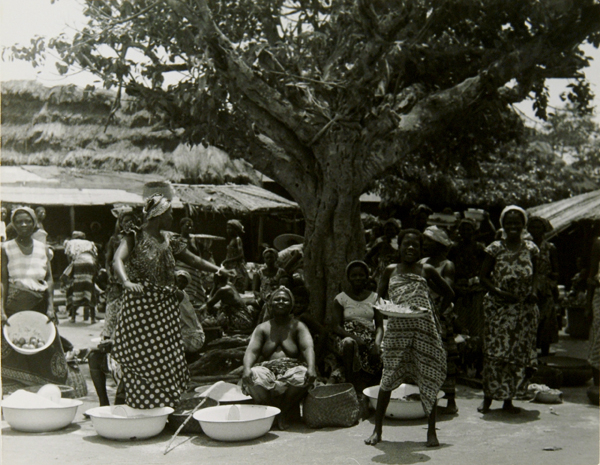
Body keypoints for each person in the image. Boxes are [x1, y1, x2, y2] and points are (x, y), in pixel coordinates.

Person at [111, 194, 222, 409]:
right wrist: (126, 282)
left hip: (165, 306)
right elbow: (118, 259)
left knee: (166, 356)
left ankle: (163, 406)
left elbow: (193, 259)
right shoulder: (134, 235)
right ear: (159, 215)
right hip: (140, 305)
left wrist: (218, 269)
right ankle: (137, 404)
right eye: (170, 213)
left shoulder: (171, 240)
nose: (172, 217)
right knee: (140, 356)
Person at [365, 229, 453, 448]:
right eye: (406, 244)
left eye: (415, 245)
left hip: (425, 331)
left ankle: (431, 432)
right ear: (399, 246)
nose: (411, 248)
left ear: (421, 249)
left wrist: (435, 312)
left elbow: (449, 293)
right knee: (388, 378)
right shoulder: (390, 271)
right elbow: (379, 302)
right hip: (397, 330)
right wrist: (379, 332)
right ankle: (377, 430)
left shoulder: (427, 270)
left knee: (428, 376)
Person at [478, 205, 539, 414]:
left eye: (517, 222)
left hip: (523, 311)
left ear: (523, 225)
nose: (513, 226)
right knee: (495, 354)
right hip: (498, 308)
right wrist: (501, 294)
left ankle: (508, 400)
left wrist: (533, 290)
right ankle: (487, 398)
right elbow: (483, 277)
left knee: (515, 355)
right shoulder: (495, 248)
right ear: (503, 224)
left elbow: (537, 273)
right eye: (509, 222)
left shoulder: (531, 248)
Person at [1, 207, 69, 393]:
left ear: (34, 224)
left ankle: (46, 392)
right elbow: (3, 281)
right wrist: (1, 309)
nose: (24, 224)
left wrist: (50, 308)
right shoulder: (5, 248)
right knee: (14, 349)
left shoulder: (43, 249)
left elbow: (48, 279)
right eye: (20, 221)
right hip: (14, 305)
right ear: (13, 224)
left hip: (39, 305)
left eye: (28, 221)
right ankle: (15, 394)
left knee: (44, 348)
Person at [242, 286, 317, 430]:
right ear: (270, 304)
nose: (281, 302)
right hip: (267, 369)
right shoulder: (262, 328)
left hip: (292, 368)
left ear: (291, 305)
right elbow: (252, 351)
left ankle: (283, 411)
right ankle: (272, 411)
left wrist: (311, 368)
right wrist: (246, 369)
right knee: (252, 377)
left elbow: (307, 348)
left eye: (285, 299)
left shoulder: (299, 326)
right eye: (277, 299)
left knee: (303, 376)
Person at [419, 225, 458, 414]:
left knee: (445, 358)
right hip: (421, 316)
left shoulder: (447, 265)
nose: (424, 244)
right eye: (424, 240)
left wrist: (439, 314)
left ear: (439, 244)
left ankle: (450, 399)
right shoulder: (421, 262)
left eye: (429, 241)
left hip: (440, 316)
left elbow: (448, 292)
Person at [330, 260, 383, 392]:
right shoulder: (340, 298)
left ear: (367, 277)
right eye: (354, 275)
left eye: (361, 275)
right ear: (348, 278)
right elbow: (336, 326)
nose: (358, 278)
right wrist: (355, 338)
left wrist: (376, 344)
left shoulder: (375, 298)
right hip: (347, 336)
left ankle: (373, 389)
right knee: (349, 344)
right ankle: (350, 385)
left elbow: (380, 326)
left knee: (383, 354)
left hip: (369, 336)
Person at [447, 218, 487, 376]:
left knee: (477, 330)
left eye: (469, 229)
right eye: (463, 230)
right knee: (459, 327)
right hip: (459, 291)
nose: (466, 233)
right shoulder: (454, 248)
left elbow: (485, 269)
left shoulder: (480, 248)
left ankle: (476, 366)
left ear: (474, 232)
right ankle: (461, 365)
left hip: (476, 291)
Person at [527, 216, 559, 357]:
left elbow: (556, 271)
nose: (535, 230)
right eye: (532, 227)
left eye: (538, 227)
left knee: (546, 320)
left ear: (544, 229)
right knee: (530, 319)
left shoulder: (550, 248)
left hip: (545, 289)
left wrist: (549, 280)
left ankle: (545, 353)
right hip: (528, 286)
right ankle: (530, 352)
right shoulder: (525, 246)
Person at [202, 268, 258, 333]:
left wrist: (214, 286)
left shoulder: (223, 290)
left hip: (242, 321)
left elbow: (209, 304)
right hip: (246, 318)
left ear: (216, 279)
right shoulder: (230, 285)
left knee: (208, 311)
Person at [62, 231, 98, 324]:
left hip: (78, 265)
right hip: (90, 264)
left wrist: (70, 273)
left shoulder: (70, 243)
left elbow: (70, 259)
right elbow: (94, 256)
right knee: (90, 289)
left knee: (75, 288)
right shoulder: (90, 243)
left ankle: (73, 317)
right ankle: (93, 319)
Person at [176, 270, 206, 364]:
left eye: (184, 282)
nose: (180, 284)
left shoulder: (178, 293)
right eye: (179, 280)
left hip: (191, 339)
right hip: (195, 336)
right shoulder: (183, 293)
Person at [176, 218, 207, 306]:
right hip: (180, 267)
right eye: (187, 226)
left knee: (193, 288)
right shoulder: (177, 239)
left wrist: (193, 245)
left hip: (192, 268)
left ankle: (192, 305)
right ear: (181, 227)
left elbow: (197, 255)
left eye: (191, 226)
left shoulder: (193, 239)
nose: (189, 228)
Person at [253, 247, 286, 319]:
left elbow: (283, 287)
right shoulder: (259, 273)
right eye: (267, 257)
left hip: (276, 297)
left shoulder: (281, 272)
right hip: (263, 298)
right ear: (264, 259)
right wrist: (261, 297)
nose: (269, 259)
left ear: (276, 258)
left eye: (271, 257)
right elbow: (255, 290)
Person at [586, 236, 600, 390]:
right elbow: (592, 275)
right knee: (599, 339)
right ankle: (598, 385)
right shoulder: (599, 243)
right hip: (599, 297)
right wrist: (588, 305)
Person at [222, 219, 250, 293]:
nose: (228, 230)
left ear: (236, 229)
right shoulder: (232, 240)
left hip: (236, 266)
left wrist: (227, 260)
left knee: (236, 283)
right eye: (227, 228)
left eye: (231, 228)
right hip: (231, 265)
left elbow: (241, 255)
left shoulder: (237, 240)